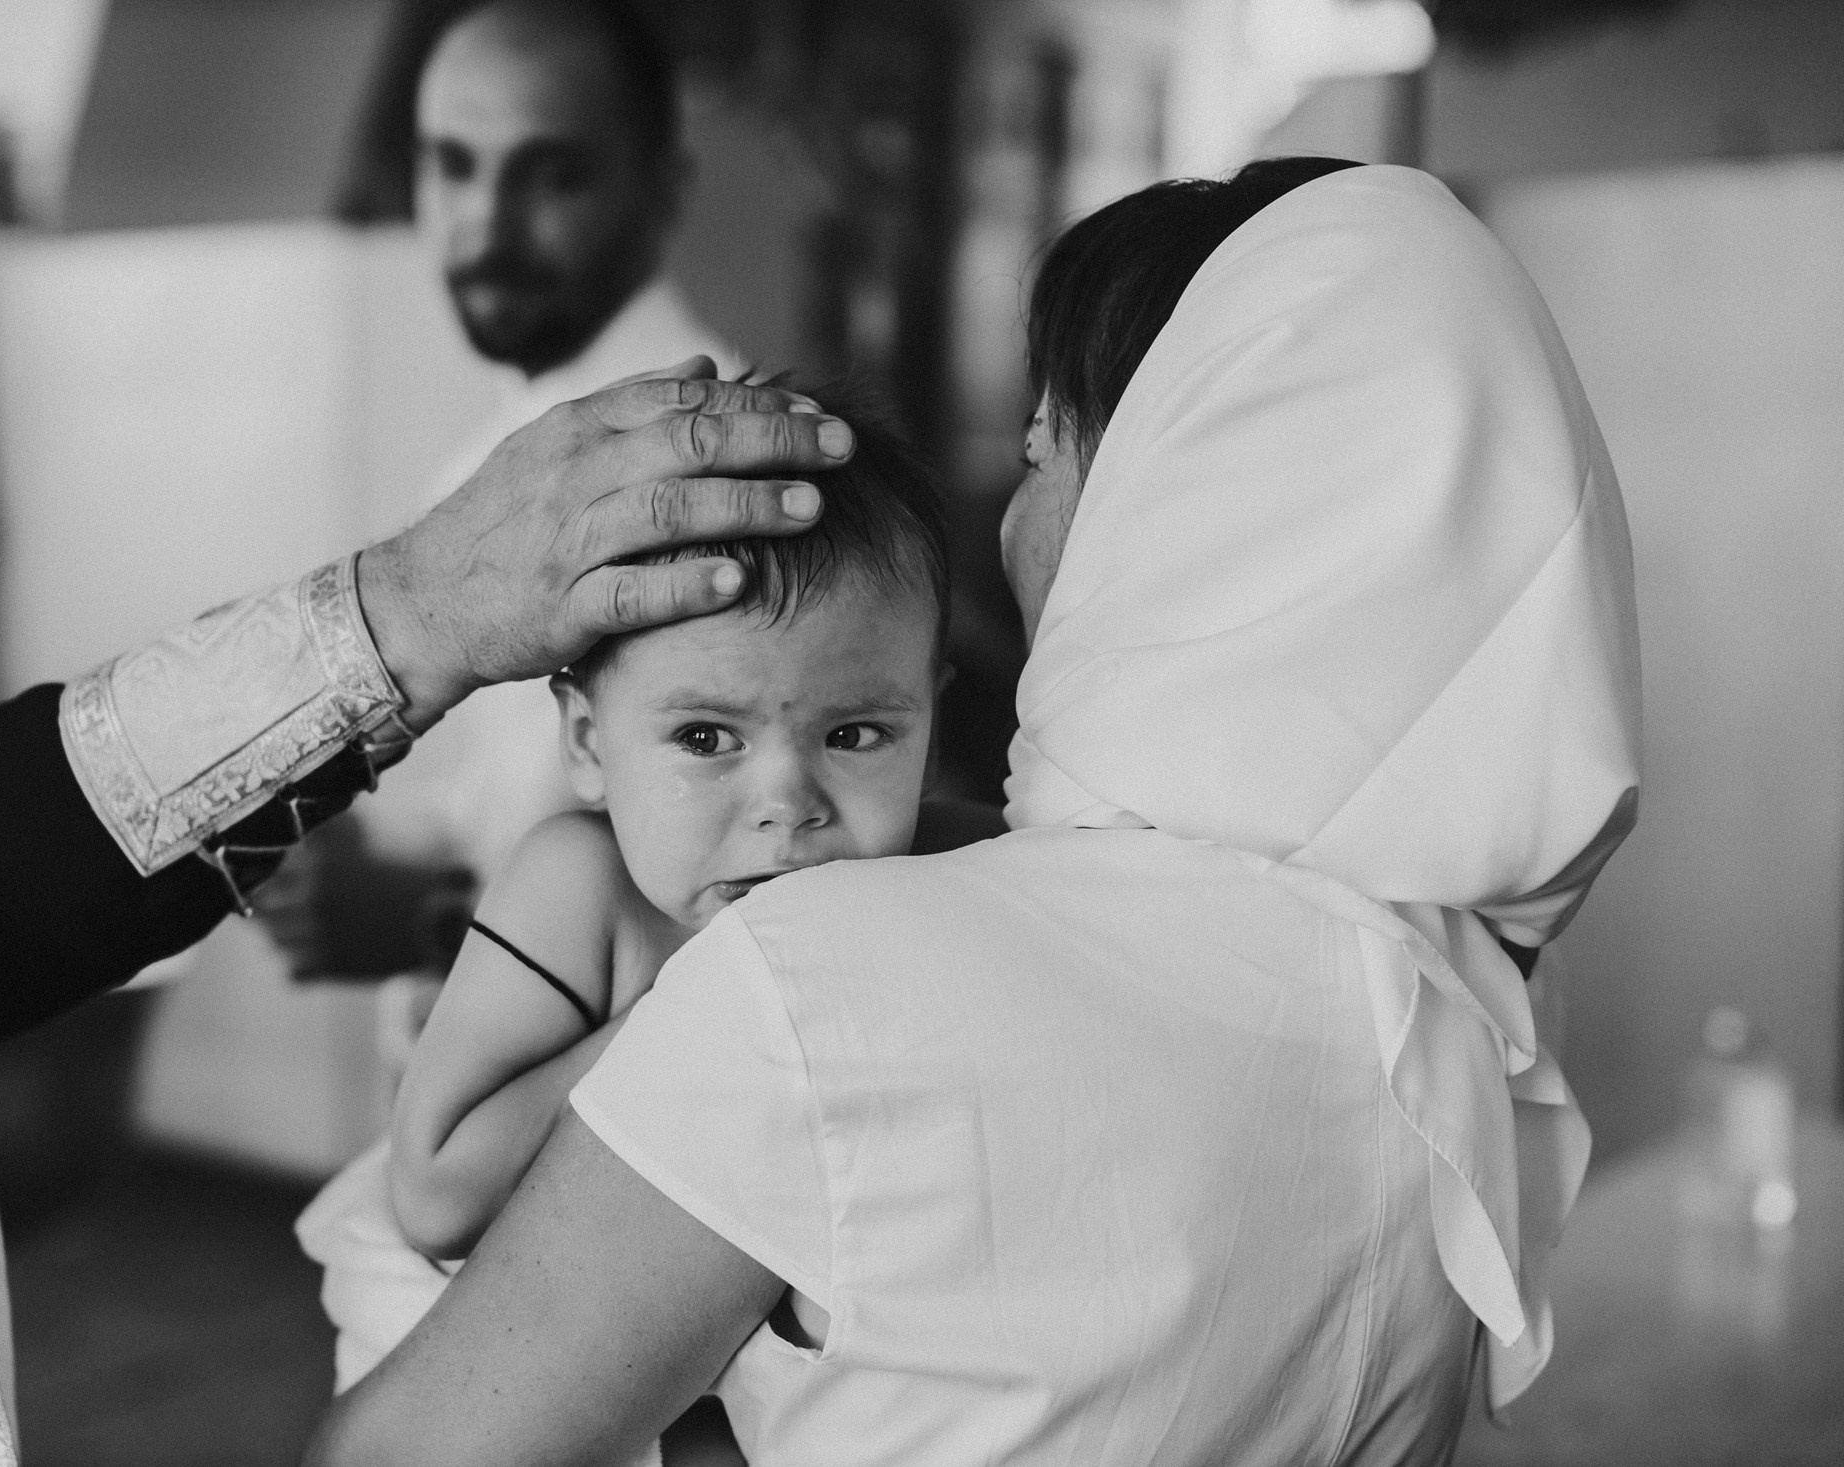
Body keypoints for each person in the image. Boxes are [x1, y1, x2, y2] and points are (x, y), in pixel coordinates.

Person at [0, 10, 857, 1458]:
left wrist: (428, 892)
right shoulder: (515, 466)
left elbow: (765, 891)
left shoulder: (701, 483)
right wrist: (411, 639)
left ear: (661, 185)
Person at [304, 158, 1641, 1467]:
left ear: (1185, 496)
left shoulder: (819, 980)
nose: (1011, 523)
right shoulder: (1467, 1020)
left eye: (1044, 454)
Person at [295, 383, 949, 1419]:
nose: (785, 807)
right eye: (705, 739)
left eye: (857, 735)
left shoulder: (920, 883)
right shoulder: (581, 887)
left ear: (929, 720)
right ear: (590, 744)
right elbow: (435, 1196)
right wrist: (689, 1010)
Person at [326, 0, 741, 930]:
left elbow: (746, 879)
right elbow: (525, 798)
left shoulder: (714, 473)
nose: (486, 224)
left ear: (665, 187)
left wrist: (429, 919)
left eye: (551, 176)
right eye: (452, 164)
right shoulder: (490, 456)